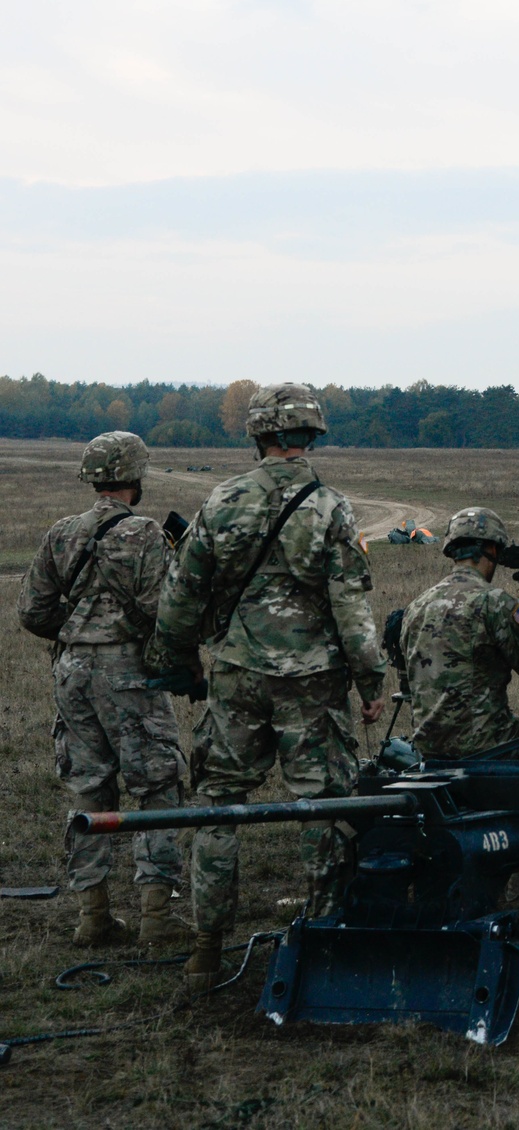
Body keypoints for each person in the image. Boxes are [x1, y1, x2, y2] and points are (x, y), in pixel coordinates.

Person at [144, 383, 386, 990]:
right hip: (312, 682)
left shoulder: (222, 500)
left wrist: (178, 660)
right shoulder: (330, 507)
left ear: (258, 436)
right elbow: (350, 603)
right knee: (323, 807)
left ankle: (206, 949)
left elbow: (181, 593)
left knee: (219, 805)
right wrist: (370, 680)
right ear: (310, 435)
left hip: (237, 673)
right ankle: (325, 941)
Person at [17, 431, 191, 949]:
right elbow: (166, 613)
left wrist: (78, 636)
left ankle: (92, 915)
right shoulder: (144, 534)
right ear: (136, 477)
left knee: (89, 786)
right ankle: (156, 915)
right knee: (156, 783)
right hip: (128, 673)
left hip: (71, 673)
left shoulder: (61, 533)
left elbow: (32, 612)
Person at [401, 507, 519, 758]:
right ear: (493, 550)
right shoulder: (494, 602)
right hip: (486, 744)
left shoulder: (416, 606)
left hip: (428, 747)